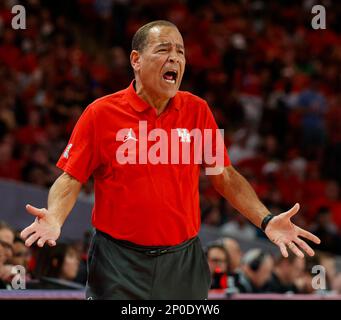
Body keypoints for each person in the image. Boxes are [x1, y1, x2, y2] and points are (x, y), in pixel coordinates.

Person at [20, 20, 320, 300]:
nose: (174, 58)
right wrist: (56, 217)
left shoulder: (198, 111)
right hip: (117, 262)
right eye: (163, 49)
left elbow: (225, 176)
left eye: (180, 52)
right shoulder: (101, 114)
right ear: (136, 60)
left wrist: (265, 220)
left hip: (183, 261)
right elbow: (71, 177)